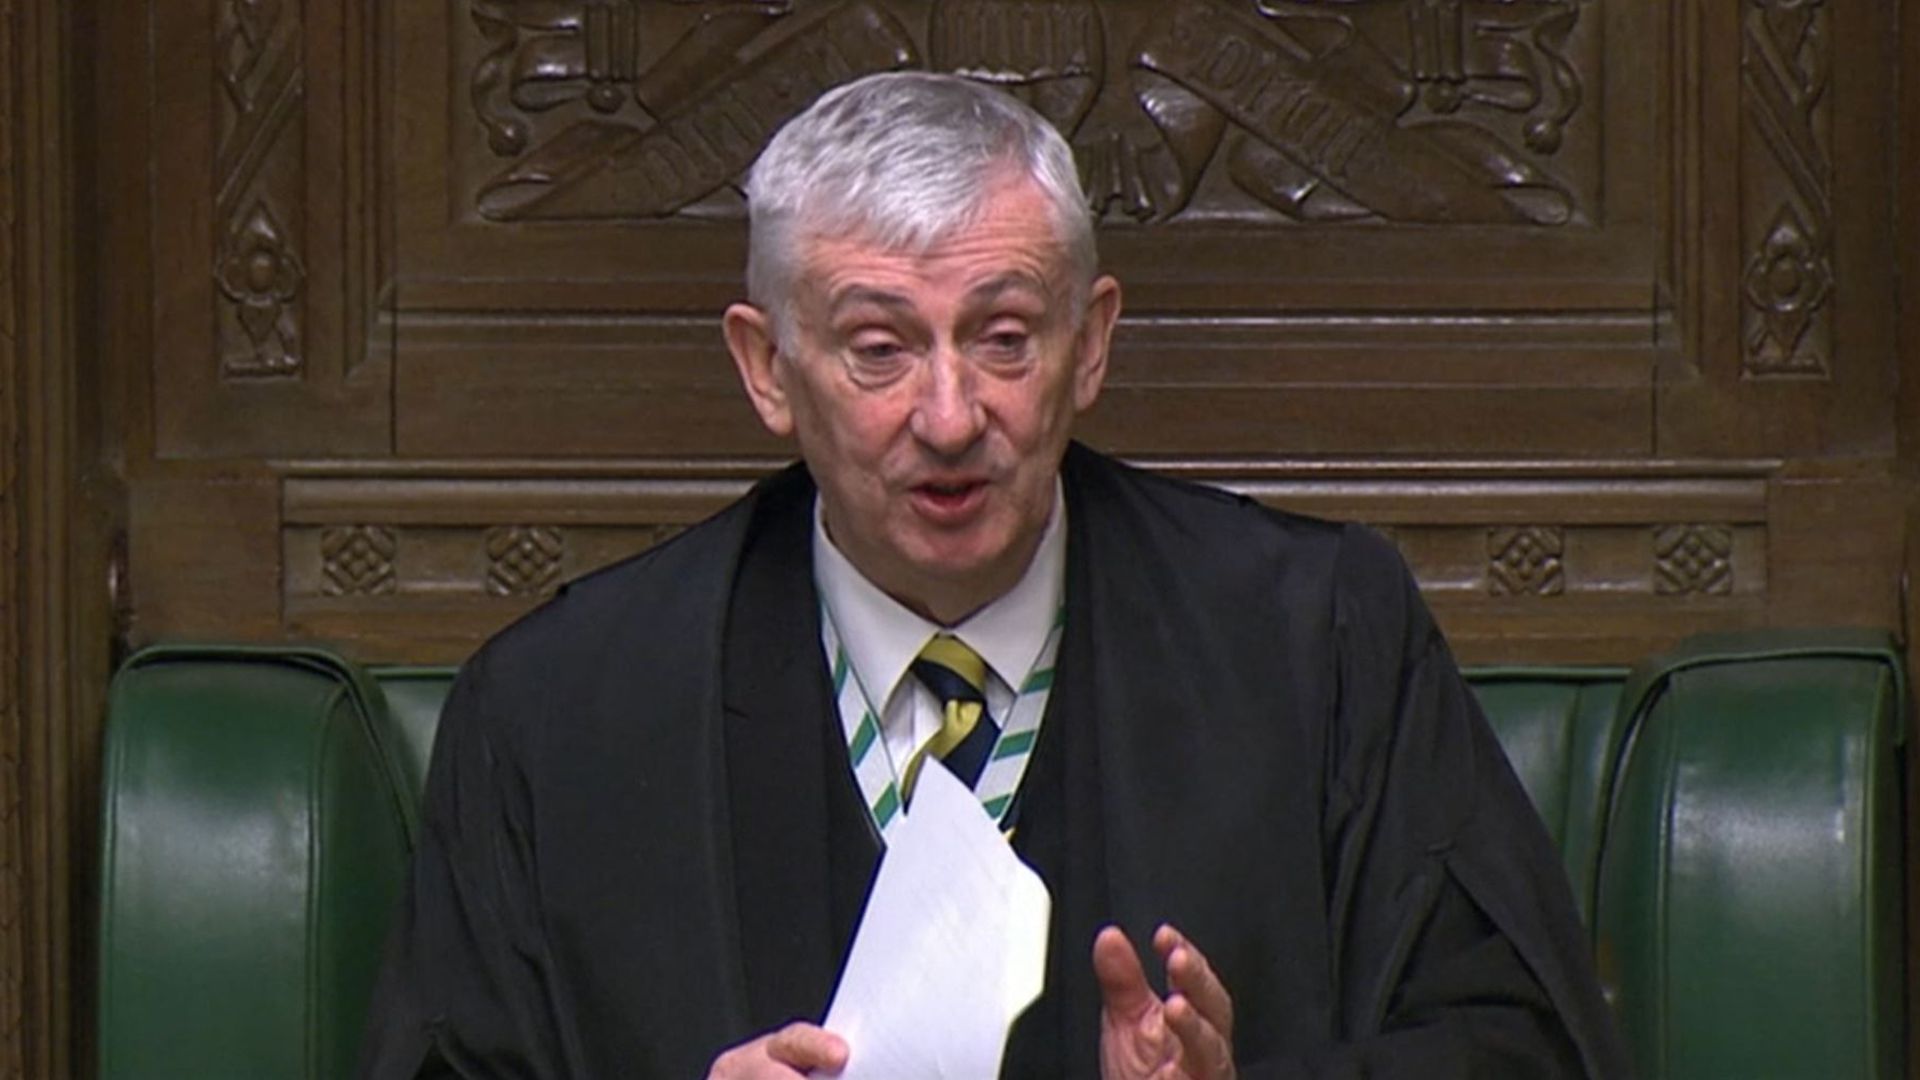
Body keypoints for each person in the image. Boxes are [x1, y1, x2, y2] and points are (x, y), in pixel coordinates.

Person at [360, 71, 1629, 1079]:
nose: (952, 414)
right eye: (879, 348)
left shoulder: (1325, 642)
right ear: (766, 368)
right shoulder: (554, 713)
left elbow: (1525, 1046)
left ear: (1091, 345)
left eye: (1005, 338)